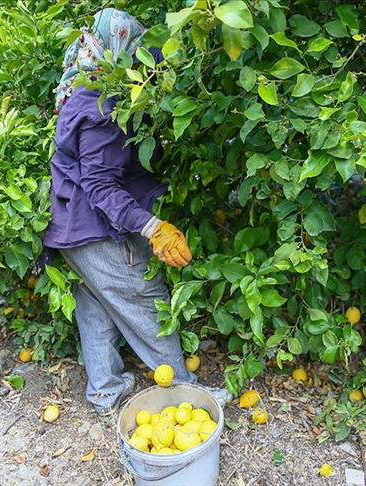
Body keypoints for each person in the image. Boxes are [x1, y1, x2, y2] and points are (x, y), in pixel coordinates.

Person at [43, 8, 229, 413]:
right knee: (144, 297)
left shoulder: (83, 91)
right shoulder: (103, 107)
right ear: (120, 49)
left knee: (96, 306)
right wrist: (153, 227)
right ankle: (185, 393)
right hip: (92, 230)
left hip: (70, 230)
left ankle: (105, 391)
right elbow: (98, 184)